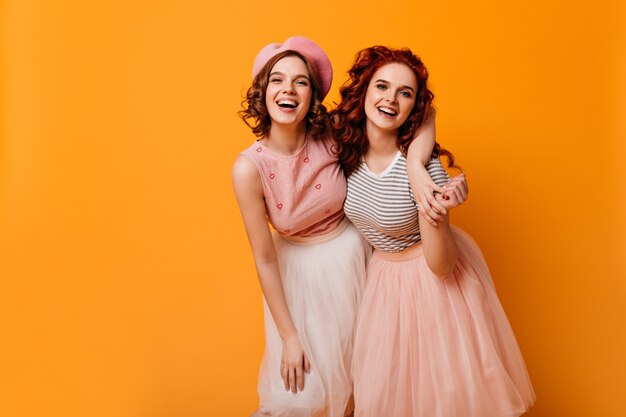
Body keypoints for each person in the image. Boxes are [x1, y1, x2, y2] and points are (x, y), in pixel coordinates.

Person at [232, 37, 442, 417]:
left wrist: (415, 164)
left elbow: (423, 115)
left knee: (365, 381)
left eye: (301, 82)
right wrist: (289, 336)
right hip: (300, 277)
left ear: (313, 95)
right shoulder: (249, 168)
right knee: (302, 391)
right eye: (277, 80)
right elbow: (263, 259)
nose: (288, 90)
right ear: (262, 92)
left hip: (357, 258)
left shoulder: (332, 132)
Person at [331, 45, 536, 417]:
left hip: (432, 289)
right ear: (363, 92)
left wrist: (436, 209)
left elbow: (442, 266)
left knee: (439, 400)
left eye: (404, 93)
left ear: (413, 107)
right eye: (382, 86)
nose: (390, 99)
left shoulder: (427, 172)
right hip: (381, 284)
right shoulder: (343, 151)